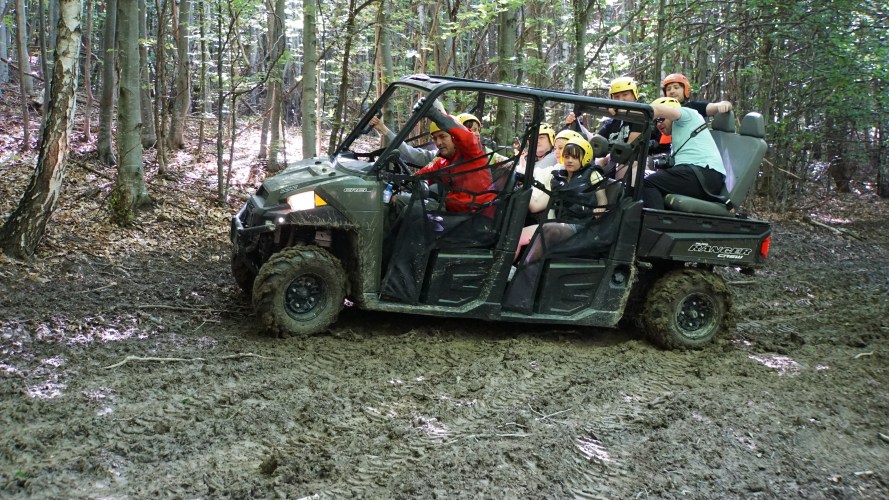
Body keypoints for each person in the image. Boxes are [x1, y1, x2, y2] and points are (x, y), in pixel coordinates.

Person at [514, 136, 609, 261]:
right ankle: (508, 269)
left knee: (547, 229)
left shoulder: (592, 173)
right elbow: (538, 205)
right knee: (519, 234)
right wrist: (521, 188)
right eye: (567, 156)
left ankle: (525, 270)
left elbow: (602, 198)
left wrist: (600, 208)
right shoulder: (559, 179)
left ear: (585, 157)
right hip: (562, 224)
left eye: (575, 157)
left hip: (582, 226)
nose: (570, 160)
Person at [643, 97, 726, 210]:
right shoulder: (680, 134)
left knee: (648, 183)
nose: (658, 124)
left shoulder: (687, 114)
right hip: (699, 175)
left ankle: (655, 220)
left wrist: (624, 111)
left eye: (661, 119)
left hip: (703, 174)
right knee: (647, 179)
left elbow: (658, 109)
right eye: (655, 121)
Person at [661, 73, 732, 118]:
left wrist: (724, 104)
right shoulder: (661, 110)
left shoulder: (693, 107)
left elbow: (714, 106)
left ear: (685, 90)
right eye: (668, 89)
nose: (672, 91)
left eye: (676, 88)